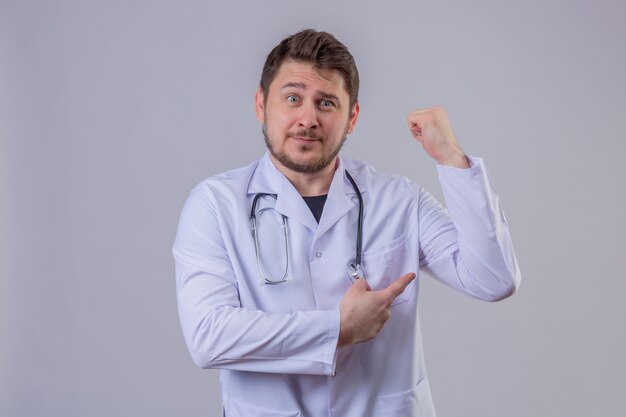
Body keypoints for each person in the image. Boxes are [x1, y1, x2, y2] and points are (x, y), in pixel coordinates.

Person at [173, 29, 520, 417]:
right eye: (292, 98)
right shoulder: (215, 204)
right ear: (261, 104)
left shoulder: (398, 199)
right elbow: (208, 337)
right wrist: (338, 328)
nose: (308, 118)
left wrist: (452, 160)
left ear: (352, 117)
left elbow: (494, 279)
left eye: (326, 103)